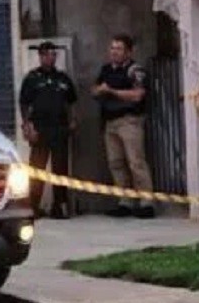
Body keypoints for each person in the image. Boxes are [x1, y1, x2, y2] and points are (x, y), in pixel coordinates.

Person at [92, 33, 154, 218]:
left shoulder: (135, 71)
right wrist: (100, 90)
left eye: (119, 49)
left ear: (129, 51)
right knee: (116, 163)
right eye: (112, 48)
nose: (114, 52)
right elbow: (94, 90)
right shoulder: (106, 70)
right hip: (110, 122)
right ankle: (125, 201)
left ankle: (146, 201)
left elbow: (138, 95)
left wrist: (111, 91)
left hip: (129, 121)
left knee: (136, 162)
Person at [19, 41, 78, 218]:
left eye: (53, 54)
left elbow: (71, 101)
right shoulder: (32, 78)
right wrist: (27, 126)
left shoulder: (63, 79)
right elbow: (24, 103)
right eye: (47, 54)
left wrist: (73, 120)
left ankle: (59, 206)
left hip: (60, 129)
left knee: (60, 169)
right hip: (40, 129)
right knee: (37, 169)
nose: (50, 57)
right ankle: (33, 206)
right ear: (41, 56)